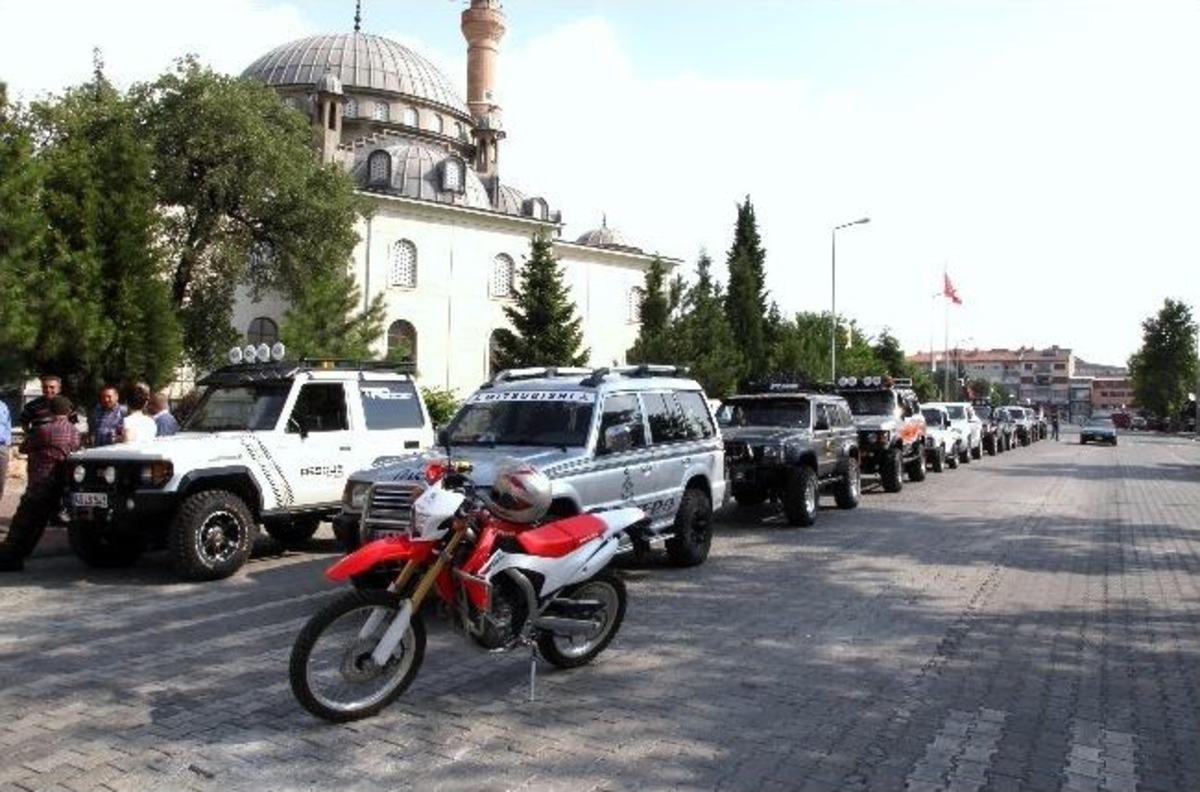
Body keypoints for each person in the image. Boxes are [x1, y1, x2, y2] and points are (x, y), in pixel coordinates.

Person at [0, 396, 80, 571]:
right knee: (39, 524)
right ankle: (16, 557)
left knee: (25, 523)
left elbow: (23, 448)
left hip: (41, 481)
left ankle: (10, 557)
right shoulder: (74, 432)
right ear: (68, 412)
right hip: (62, 483)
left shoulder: (44, 430)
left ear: (51, 411)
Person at [0, 399, 10, 502]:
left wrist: (7, 442)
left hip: (2, 447)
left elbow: (8, 423)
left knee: (1, 479)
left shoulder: (3, 405)